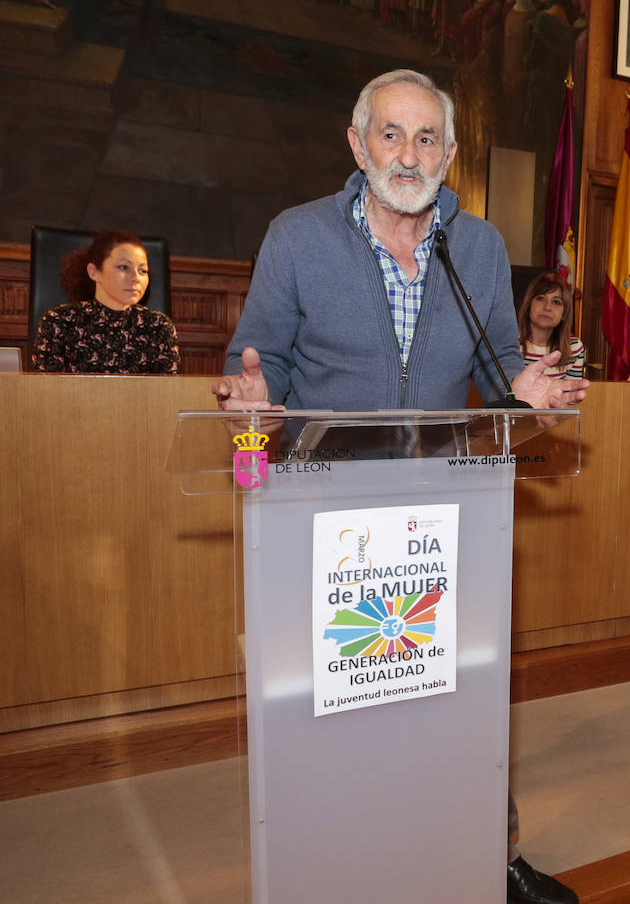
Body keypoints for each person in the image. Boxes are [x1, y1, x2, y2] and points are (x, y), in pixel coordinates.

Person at [213, 69, 582, 904]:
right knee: (341, 699)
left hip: (446, 510)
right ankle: (341, 866)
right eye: (390, 134)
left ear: (450, 154)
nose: (407, 155)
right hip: (320, 512)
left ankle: (488, 853)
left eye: (426, 139)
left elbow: (496, 359)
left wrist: (525, 386)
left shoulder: (479, 245)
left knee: (459, 687)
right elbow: (254, 360)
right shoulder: (298, 236)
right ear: (357, 144)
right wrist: (249, 403)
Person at [32, 232, 180, 374]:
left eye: (143, 271)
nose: (136, 278)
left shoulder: (158, 326)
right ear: (94, 272)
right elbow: (45, 391)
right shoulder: (59, 322)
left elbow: (166, 393)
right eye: (123, 267)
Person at [517, 273, 585, 379]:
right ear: (529, 304)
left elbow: (571, 393)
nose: (547, 307)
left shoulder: (573, 349)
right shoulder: (509, 345)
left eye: (556, 302)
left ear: (564, 314)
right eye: (541, 298)